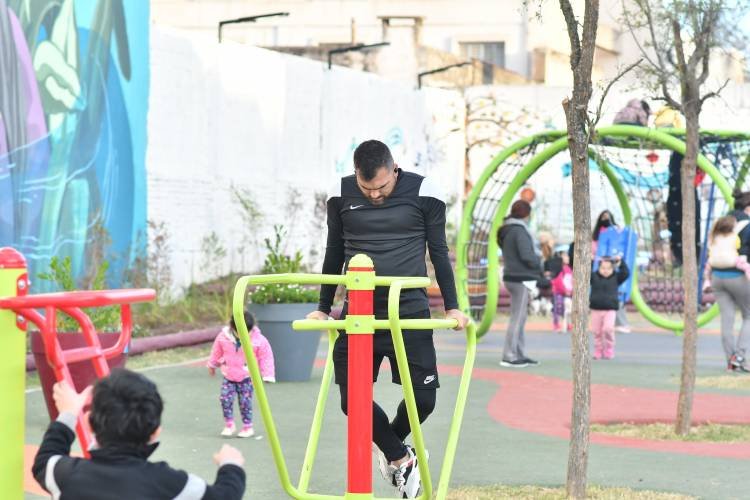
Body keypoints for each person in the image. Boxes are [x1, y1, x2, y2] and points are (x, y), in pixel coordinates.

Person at [306, 140, 469, 498]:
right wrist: (324, 305)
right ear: (355, 176)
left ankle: (394, 447)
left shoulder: (424, 191)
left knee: (423, 401)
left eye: (381, 186)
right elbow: (334, 249)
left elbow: (439, 251)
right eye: (367, 189)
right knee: (353, 401)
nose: (375, 195)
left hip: (408, 310)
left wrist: (453, 306)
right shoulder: (340, 193)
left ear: (395, 169)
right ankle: (399, 456)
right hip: (358, 312)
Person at [32, 369, 246, 499]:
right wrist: (231, 465)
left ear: (89, 424)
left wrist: (69, 411)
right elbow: (225, 496)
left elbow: (45, 459)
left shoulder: (66, 475)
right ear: (155, 433)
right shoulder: (171, 483)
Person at [208, 310, 275, 438]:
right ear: (232, 327)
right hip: (229, 375)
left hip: (247, 377)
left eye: (246, 332)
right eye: (240, 332)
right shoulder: (223, 337)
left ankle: (247, 427)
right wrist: (212, 364)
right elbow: (216, 351)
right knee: (225, 399)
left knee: (245, 402)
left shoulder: (258, 340)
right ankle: (229, 425)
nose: (243, 335)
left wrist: (268, 374)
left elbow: (266, 357)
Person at [497, 199, 542, 367]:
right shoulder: (519, 231)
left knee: (520, 317)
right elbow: (526, 255)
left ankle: (519, 353)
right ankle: (509, 355)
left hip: (512, 277)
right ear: (526, 214)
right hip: (520, 278)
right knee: (517, 318)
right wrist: (539, 263)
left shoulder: (507, 230)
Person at [707, 210, 750, 373]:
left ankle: (730, 360)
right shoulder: (736, 235)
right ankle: (739, 356)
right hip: (737, 277)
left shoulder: (714, 237)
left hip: (717, 277)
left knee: (727, 319)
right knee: (748, 316)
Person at [590, 257, 630, 360]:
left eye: (608, 268)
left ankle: (609, 347)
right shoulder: (594, 277)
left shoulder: (616, 277)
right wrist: (591, 261)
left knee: (608, 329)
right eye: (603, 268)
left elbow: (626, 273)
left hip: (610, 309)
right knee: (597, 331)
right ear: (598, 268)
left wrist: (620, 262)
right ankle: (598, 349)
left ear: (613, 269)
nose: (605, 270)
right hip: (596, 309)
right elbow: (584, 273)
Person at [550, 250, 573, 333]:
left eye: (567, 256)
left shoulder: (569, 269)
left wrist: (571, 290)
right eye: (565, 256)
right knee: (559, 307)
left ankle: (568, 324)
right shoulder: (558, 269)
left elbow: (571, 281)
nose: (568, 257)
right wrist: (564, 290)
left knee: (569, 309)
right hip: (559, 292)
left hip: (569, 293)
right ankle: (557, 325)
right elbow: (557, 281)